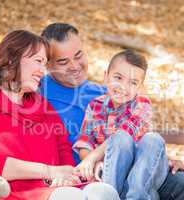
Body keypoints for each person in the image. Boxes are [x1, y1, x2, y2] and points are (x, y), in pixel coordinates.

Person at [40, 23, 184, 200]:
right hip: (86, 175)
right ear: (47, 64)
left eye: (78, 56)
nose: (75, 66)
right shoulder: (39, 93)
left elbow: (137, 132)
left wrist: (165, 160)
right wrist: (93, 161)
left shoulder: (104, 93)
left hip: (130, 167)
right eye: (63, 61)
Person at [0, 30, 119, 200]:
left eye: (45, 63)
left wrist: (67, 176)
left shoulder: (41, 105)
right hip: (7, 192)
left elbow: (63, 150)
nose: (42, 71)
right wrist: (48, 171)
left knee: (103, 191)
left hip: (53, 189)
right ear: (13, 59)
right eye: (38, 62)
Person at [73, 49, 169, 199]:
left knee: (152, 139)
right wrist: (92, 161)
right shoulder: (95, 105)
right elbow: (86, 141)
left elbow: (125, 133)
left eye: (133, 83)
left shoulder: (142, 105)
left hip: (144, 170)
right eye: (118, 77)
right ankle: (110, 195)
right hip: (114, 172)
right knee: (119, 140)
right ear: (106, 77)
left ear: (140, 87)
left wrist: (94, 157)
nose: (123, 87)